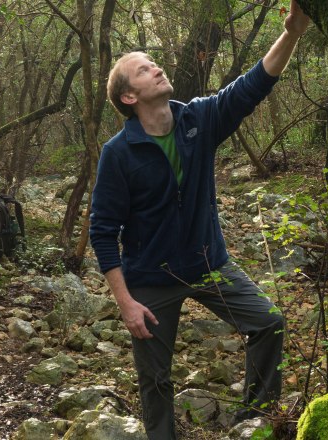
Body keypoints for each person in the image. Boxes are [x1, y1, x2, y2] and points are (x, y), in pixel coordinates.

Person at [89, 2, 310, 439]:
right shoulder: (118, 153)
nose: (155, 69)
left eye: (154, 63)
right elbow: (102, 232)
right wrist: (126, 302)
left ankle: (254, 423)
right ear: (128, 97)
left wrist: (294, 32)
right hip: (150, 279)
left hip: (209, 264)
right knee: (155, 383)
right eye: (143, 69)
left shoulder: (198, 118)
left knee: (268, 323)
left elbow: (253, 85)